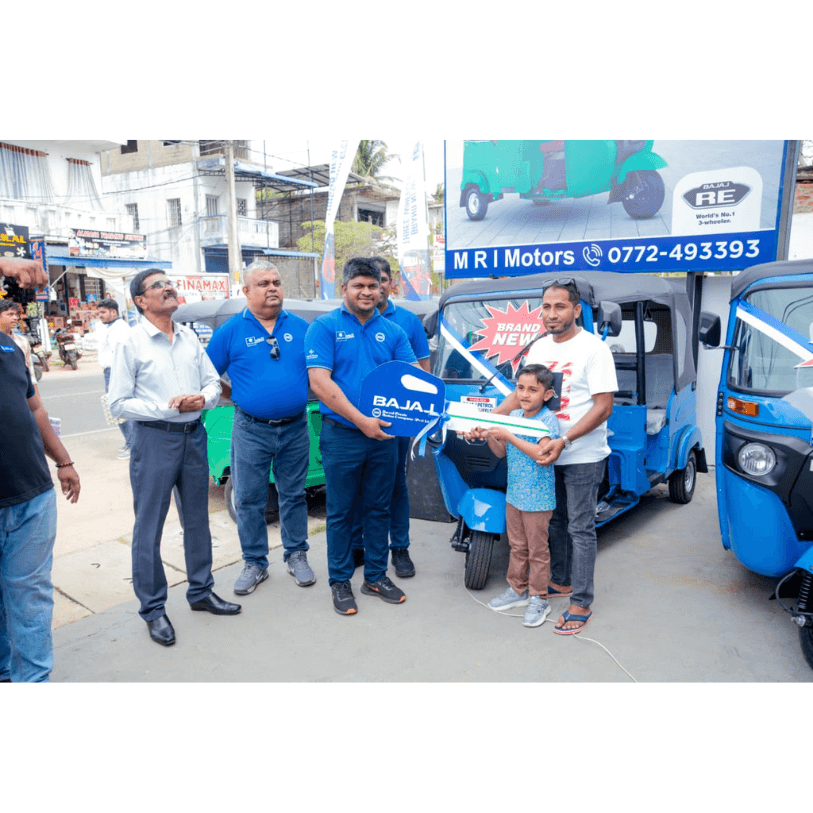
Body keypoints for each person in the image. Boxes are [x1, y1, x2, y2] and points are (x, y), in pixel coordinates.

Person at [109, 269, 241, 647]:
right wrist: (168, 408)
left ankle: (201, 591)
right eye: (158, 286)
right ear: (140, 301)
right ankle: (153, 609)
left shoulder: (188, 337)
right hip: (154, 439)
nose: (168, 288)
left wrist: (203, 398)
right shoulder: (130, 342)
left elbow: (212, 382)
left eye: (169, 283)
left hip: (193, 437)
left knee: (197, 519)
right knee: (148, 526)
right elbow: (118, 403)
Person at [492, 280, 616, 634]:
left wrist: (565, 440)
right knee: (555, 523)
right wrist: (488, 421)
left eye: (559, 306)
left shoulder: (594, 349)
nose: (551, 314)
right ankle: (560, 581)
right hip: (541, 454)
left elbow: (603, 406)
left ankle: (581, 603)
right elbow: (519, 395)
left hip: (581, 455)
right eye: (545, 307)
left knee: (580, 528)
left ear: (576, 310)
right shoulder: (539, 348)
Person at [305, 257, 417, 615]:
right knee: (340, 512)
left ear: (381, 288)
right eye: (359, 286)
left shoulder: (394, 332)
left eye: (373, 285)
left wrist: (427, 406)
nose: (367, 292)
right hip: (342, 437)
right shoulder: (324, 327)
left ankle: (375, 577)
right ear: (345, 289)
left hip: (383, 438)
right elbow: (320, 383)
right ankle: (340, 581)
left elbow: (413, 377)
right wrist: (361, 420)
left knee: (378, 508)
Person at [206, 260, 315, 595]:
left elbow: (320, 371)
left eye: (276, 282)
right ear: (246, 291)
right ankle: (255, 562)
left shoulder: (301, 327)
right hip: (251, 429)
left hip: (295, 427)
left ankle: (296, 554)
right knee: (249, 499)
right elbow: (207, 376)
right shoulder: (230, 331)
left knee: (294, 494)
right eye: (263, 283)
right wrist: (237, 396)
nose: (272, 289)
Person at [0, 257, 81, 682]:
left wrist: (63, 461)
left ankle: (33, 682)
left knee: (29, 595)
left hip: (32, 496)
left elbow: (35, 409)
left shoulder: (11, 348)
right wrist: (4, 261)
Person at [350, 256, 431, 578]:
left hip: (396, 422)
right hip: (354, 421)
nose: (375, 288)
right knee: (358, 486)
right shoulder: (347, 320)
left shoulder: (407, 322)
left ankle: (400, 548)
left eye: (381, 280)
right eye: (367, 282)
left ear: (389, 284)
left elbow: (423, 375)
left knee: (396, 485)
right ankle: (360, 546)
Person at [480, 365, 559, 627]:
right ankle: (517, 589)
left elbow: (543, 455)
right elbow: (500, 452)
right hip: (514, 495)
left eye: (532, 389)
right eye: (520, 388)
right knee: (517, 546)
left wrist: (508, 435)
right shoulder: (513, 415)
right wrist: (490, 435)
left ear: (547, 394)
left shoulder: (548, 421)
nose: (524, 394)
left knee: (538, 550)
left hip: (538, 499)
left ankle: (539, 597)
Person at [96, 298, 133, 460]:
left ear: (113, 312)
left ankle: (132, 445)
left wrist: (116, 379)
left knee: (119, 409)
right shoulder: (109, 327)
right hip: (110, 371)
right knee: (116, 409)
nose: (100, 315)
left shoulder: (120, 328)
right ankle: (129, 441)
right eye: (99, 312)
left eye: (103, 312)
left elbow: (120, 355)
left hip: (115, 372)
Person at [0, 300, 38, 386]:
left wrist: (35, 391)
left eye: (16, 314)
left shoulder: (22, 341)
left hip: (19, 389)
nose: (15, 318)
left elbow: (30, 371)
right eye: (10, 314)